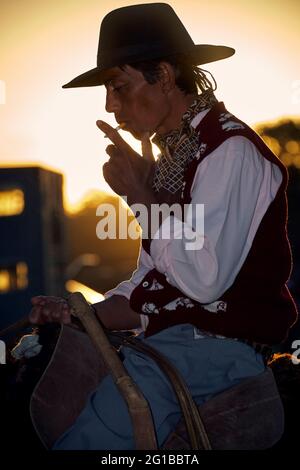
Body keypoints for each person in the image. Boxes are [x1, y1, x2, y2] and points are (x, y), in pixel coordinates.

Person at [29, 3, 298, 450]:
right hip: (181, 342)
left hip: (213, 350)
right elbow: (156, 281)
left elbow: (203, 281)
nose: (111, 105)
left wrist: (138, 194)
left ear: (166, 77)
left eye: (119, 86)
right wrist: (81, 314)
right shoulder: (178, 158)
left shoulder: (229, 150)